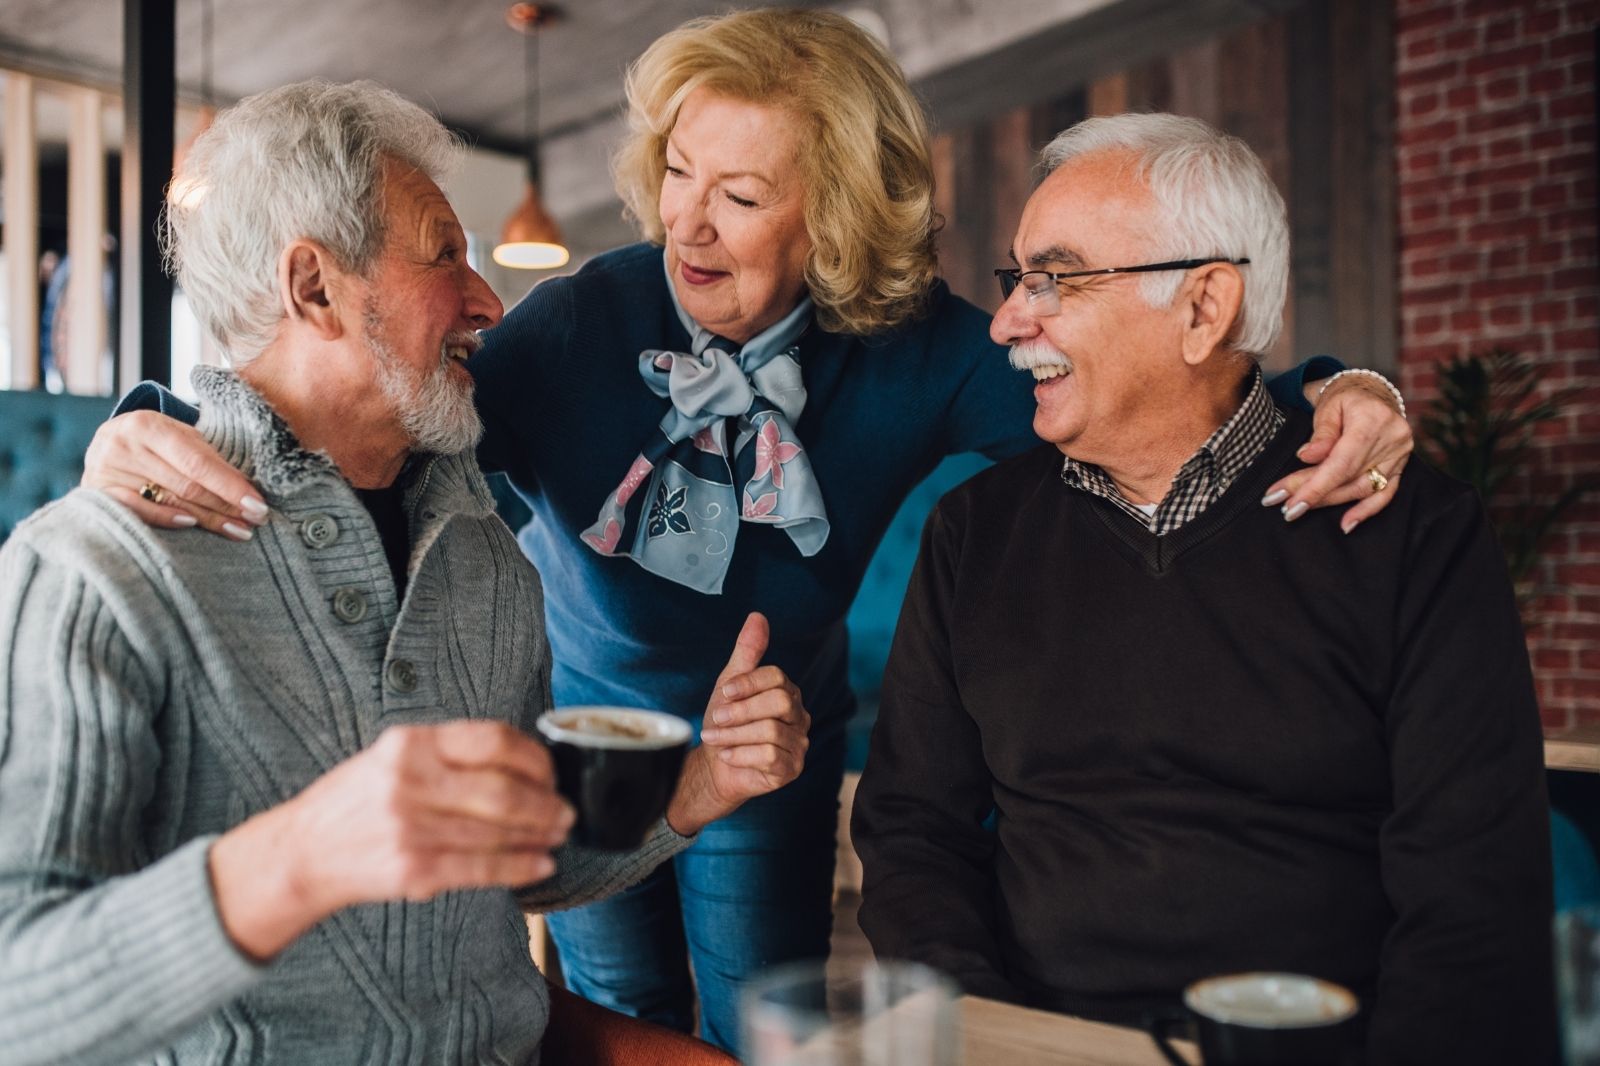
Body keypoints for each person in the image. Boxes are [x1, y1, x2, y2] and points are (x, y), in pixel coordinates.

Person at [80, 10, 1416, 1052]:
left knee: (762, 1021)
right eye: (677, 170)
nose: (684, 220)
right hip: (592, 738)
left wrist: (1337, 390)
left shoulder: (915, 352)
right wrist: (148, 418)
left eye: (742, 193)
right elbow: (360, 402)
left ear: (830, 215)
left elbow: (1138, 382)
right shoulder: (576, 323)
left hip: (769, 738)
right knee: (619, 1011)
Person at [0, 80, 810, 1066]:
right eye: (443, 253)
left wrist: (700, 781)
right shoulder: (93, 569)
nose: (487, 301)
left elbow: (513, 858)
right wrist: (295, 860)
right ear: (313, 288)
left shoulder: (488, 561)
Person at [850, 112, 1555, 1066]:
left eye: (1057, 277)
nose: (1011, 319)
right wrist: (984, 1029)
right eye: (1017, 280)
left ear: (1202, 307)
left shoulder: (1411, 530)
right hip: (1035, 1043)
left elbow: (1474, 893)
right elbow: (911, 830)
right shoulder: (973, 532)